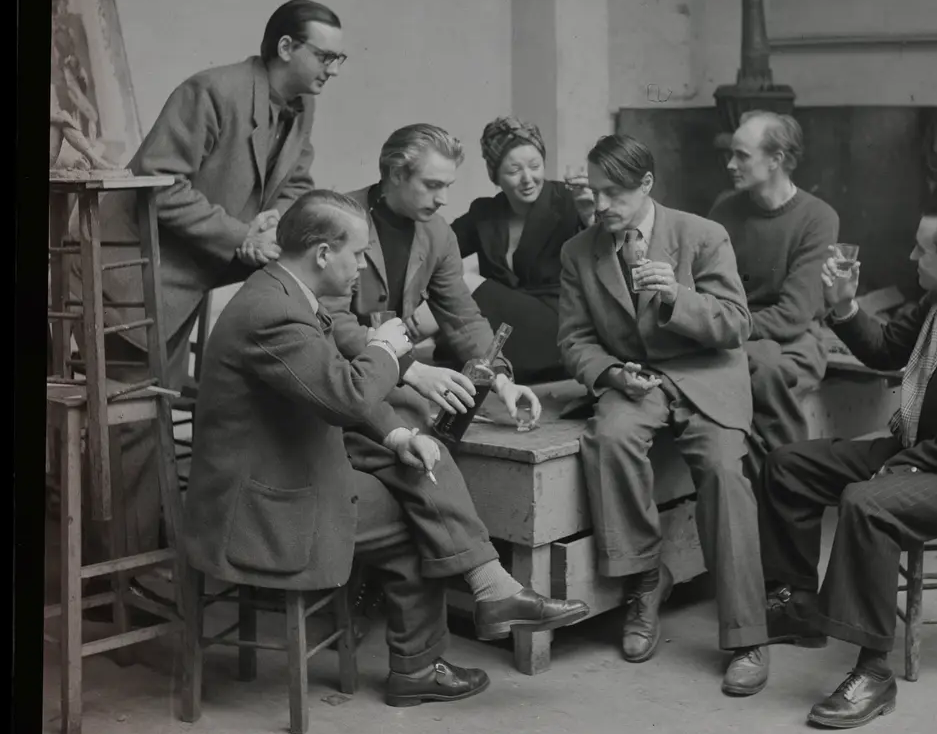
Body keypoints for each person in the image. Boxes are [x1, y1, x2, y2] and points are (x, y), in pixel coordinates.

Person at [184, 191, 589, 707]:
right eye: (356, 254)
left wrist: (399, 436)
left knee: (415, 456)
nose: (361, 266)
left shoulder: (284, 293)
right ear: (323, 254)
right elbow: (345, 395)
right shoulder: (275, 312)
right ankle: (432, 652)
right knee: (416, 520)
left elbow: (326, 381)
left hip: (285, 463)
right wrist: (387, 351)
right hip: (256, 504)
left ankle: (486, 598)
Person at [70, 0, 342, 568]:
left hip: (182, 280)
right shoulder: (212, 91)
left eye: (338, 59)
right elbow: (158, 184)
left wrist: (276, 222)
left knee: (151, 418)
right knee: (131, 425)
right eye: (325, 56)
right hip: (126, 275)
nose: (332, 70)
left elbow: (296, 181)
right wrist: (242, 237)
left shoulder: (300, 107)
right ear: (286, 47)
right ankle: (118, 577)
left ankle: (143, 560)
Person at [757, 199, 937, 729]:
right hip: (929, 446)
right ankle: (798, 607)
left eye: (921, 249)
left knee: (867, 504)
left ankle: (874, 673)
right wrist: (844, 306)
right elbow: (888, 347)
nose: (912, 256)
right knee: (787, 464)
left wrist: (894, 470)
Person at [557, 134, 770, 697]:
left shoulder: (702, 235)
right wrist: (610, 374)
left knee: (723, 472)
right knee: (609, 437)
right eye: (594, 192)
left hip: (705, 375)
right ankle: (647, 579)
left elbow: (737, 324)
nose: (601, 205)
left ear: (647, 185)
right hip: (636, 378)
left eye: (614, 193)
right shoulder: (579, 252)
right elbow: (575, 340)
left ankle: (747, 635)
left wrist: (677, 296)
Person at [327, 124, 543, 437]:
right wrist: (411, 369)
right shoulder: (338, 219)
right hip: (333, 378)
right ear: (397, 174)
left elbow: (462, 318)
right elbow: (331, 320)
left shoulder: (438, 234)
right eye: (432, 185)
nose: (443, 198)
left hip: (387, 376)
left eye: (447, 186)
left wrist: (500, 378)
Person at [709, 112, 839, 470]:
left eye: (742, 155)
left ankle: (789, 477)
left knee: (764, 371)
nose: (731, 164)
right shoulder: (724, 210)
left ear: (776, 160)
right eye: (730, 154)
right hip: (735, 336)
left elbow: (793, 315)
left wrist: (719, 328)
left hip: (794, 341)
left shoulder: (817, 218)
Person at [448, 117, 594, 383]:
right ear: (495, 175)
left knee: (464, 282)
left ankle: (394, 348)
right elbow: (439, 247)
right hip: (506, 332)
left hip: (558, 325)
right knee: (445, 280)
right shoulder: (485, 213)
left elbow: (604, 256)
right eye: (514, 170)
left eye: (535, 166)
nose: (528, 179)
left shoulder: (570, 201)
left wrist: (590, 217)